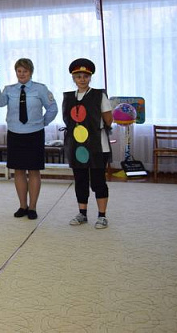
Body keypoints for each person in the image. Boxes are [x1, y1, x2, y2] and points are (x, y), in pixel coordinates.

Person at [0, 58, 58, 220]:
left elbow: (52, 108)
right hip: (15, 134)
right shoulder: (9, 89)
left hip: (34, 134)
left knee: (34, 170)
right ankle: (23, 206)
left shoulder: (40, 89)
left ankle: (32, 207)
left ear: (31, 72)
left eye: (25, 71)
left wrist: (42, 122)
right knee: (19, 170)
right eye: (19, 71)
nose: (21, 74)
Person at [62, 58, 113, 229]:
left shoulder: (99, 95)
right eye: (78, 76)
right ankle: (82, 214)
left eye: (85, 76)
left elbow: (108, 119)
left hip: (98, 145)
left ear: (90, 77)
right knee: (80, 180)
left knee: (98, 181)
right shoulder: (69, 97)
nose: (82, 79)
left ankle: (102, 216)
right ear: (73, 78)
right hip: (77, 146)